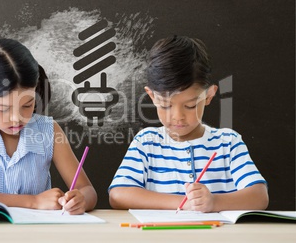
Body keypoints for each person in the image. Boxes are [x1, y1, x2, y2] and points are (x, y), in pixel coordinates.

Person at [108, 35, 268, 212]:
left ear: (209, 96)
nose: (178, 116)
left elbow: (259, 197)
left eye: (190, 105)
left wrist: (213, 202)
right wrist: (184, 203)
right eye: (166, 105)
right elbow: (118, 195)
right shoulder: (146, 142)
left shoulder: (228, 142)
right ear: (152, 96)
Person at [0, 38, 97, 215]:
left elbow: (87, 190)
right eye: (3, 109)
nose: (17, 119)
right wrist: (34, 201)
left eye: (27, 105)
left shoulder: (48, 130)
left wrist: (81, 200)